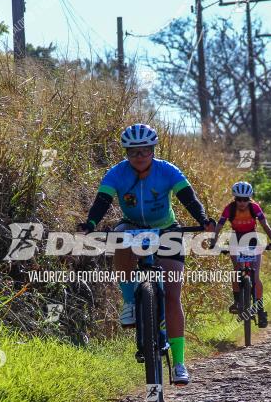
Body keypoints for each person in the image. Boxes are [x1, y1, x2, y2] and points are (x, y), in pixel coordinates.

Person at [78, 123, 215, 385]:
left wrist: (203, 219)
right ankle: (130, 301)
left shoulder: (167, 170)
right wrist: (91, 224)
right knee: (120, 238)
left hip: (166, 228)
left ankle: (179, 363)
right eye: (133, 152)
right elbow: (102, 202)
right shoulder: (116, 174)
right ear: (126, 153)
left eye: (145, 151)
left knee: (173, 295)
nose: (139, 157)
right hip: (133, 227)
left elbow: (188, 197)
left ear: (153, 150)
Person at [210, 181, 271, 328]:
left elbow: (265, 225)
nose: (242, 203)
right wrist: (213, 242)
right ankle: (237, 301)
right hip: (236, 238)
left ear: (250, 199)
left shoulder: (254, 207)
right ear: (234, 199)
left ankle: (260, 310)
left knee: (255, 277)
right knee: (236, 272)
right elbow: (219, 226)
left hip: (253, 238)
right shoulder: (229, 209)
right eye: (238, 199)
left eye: (245, 199)